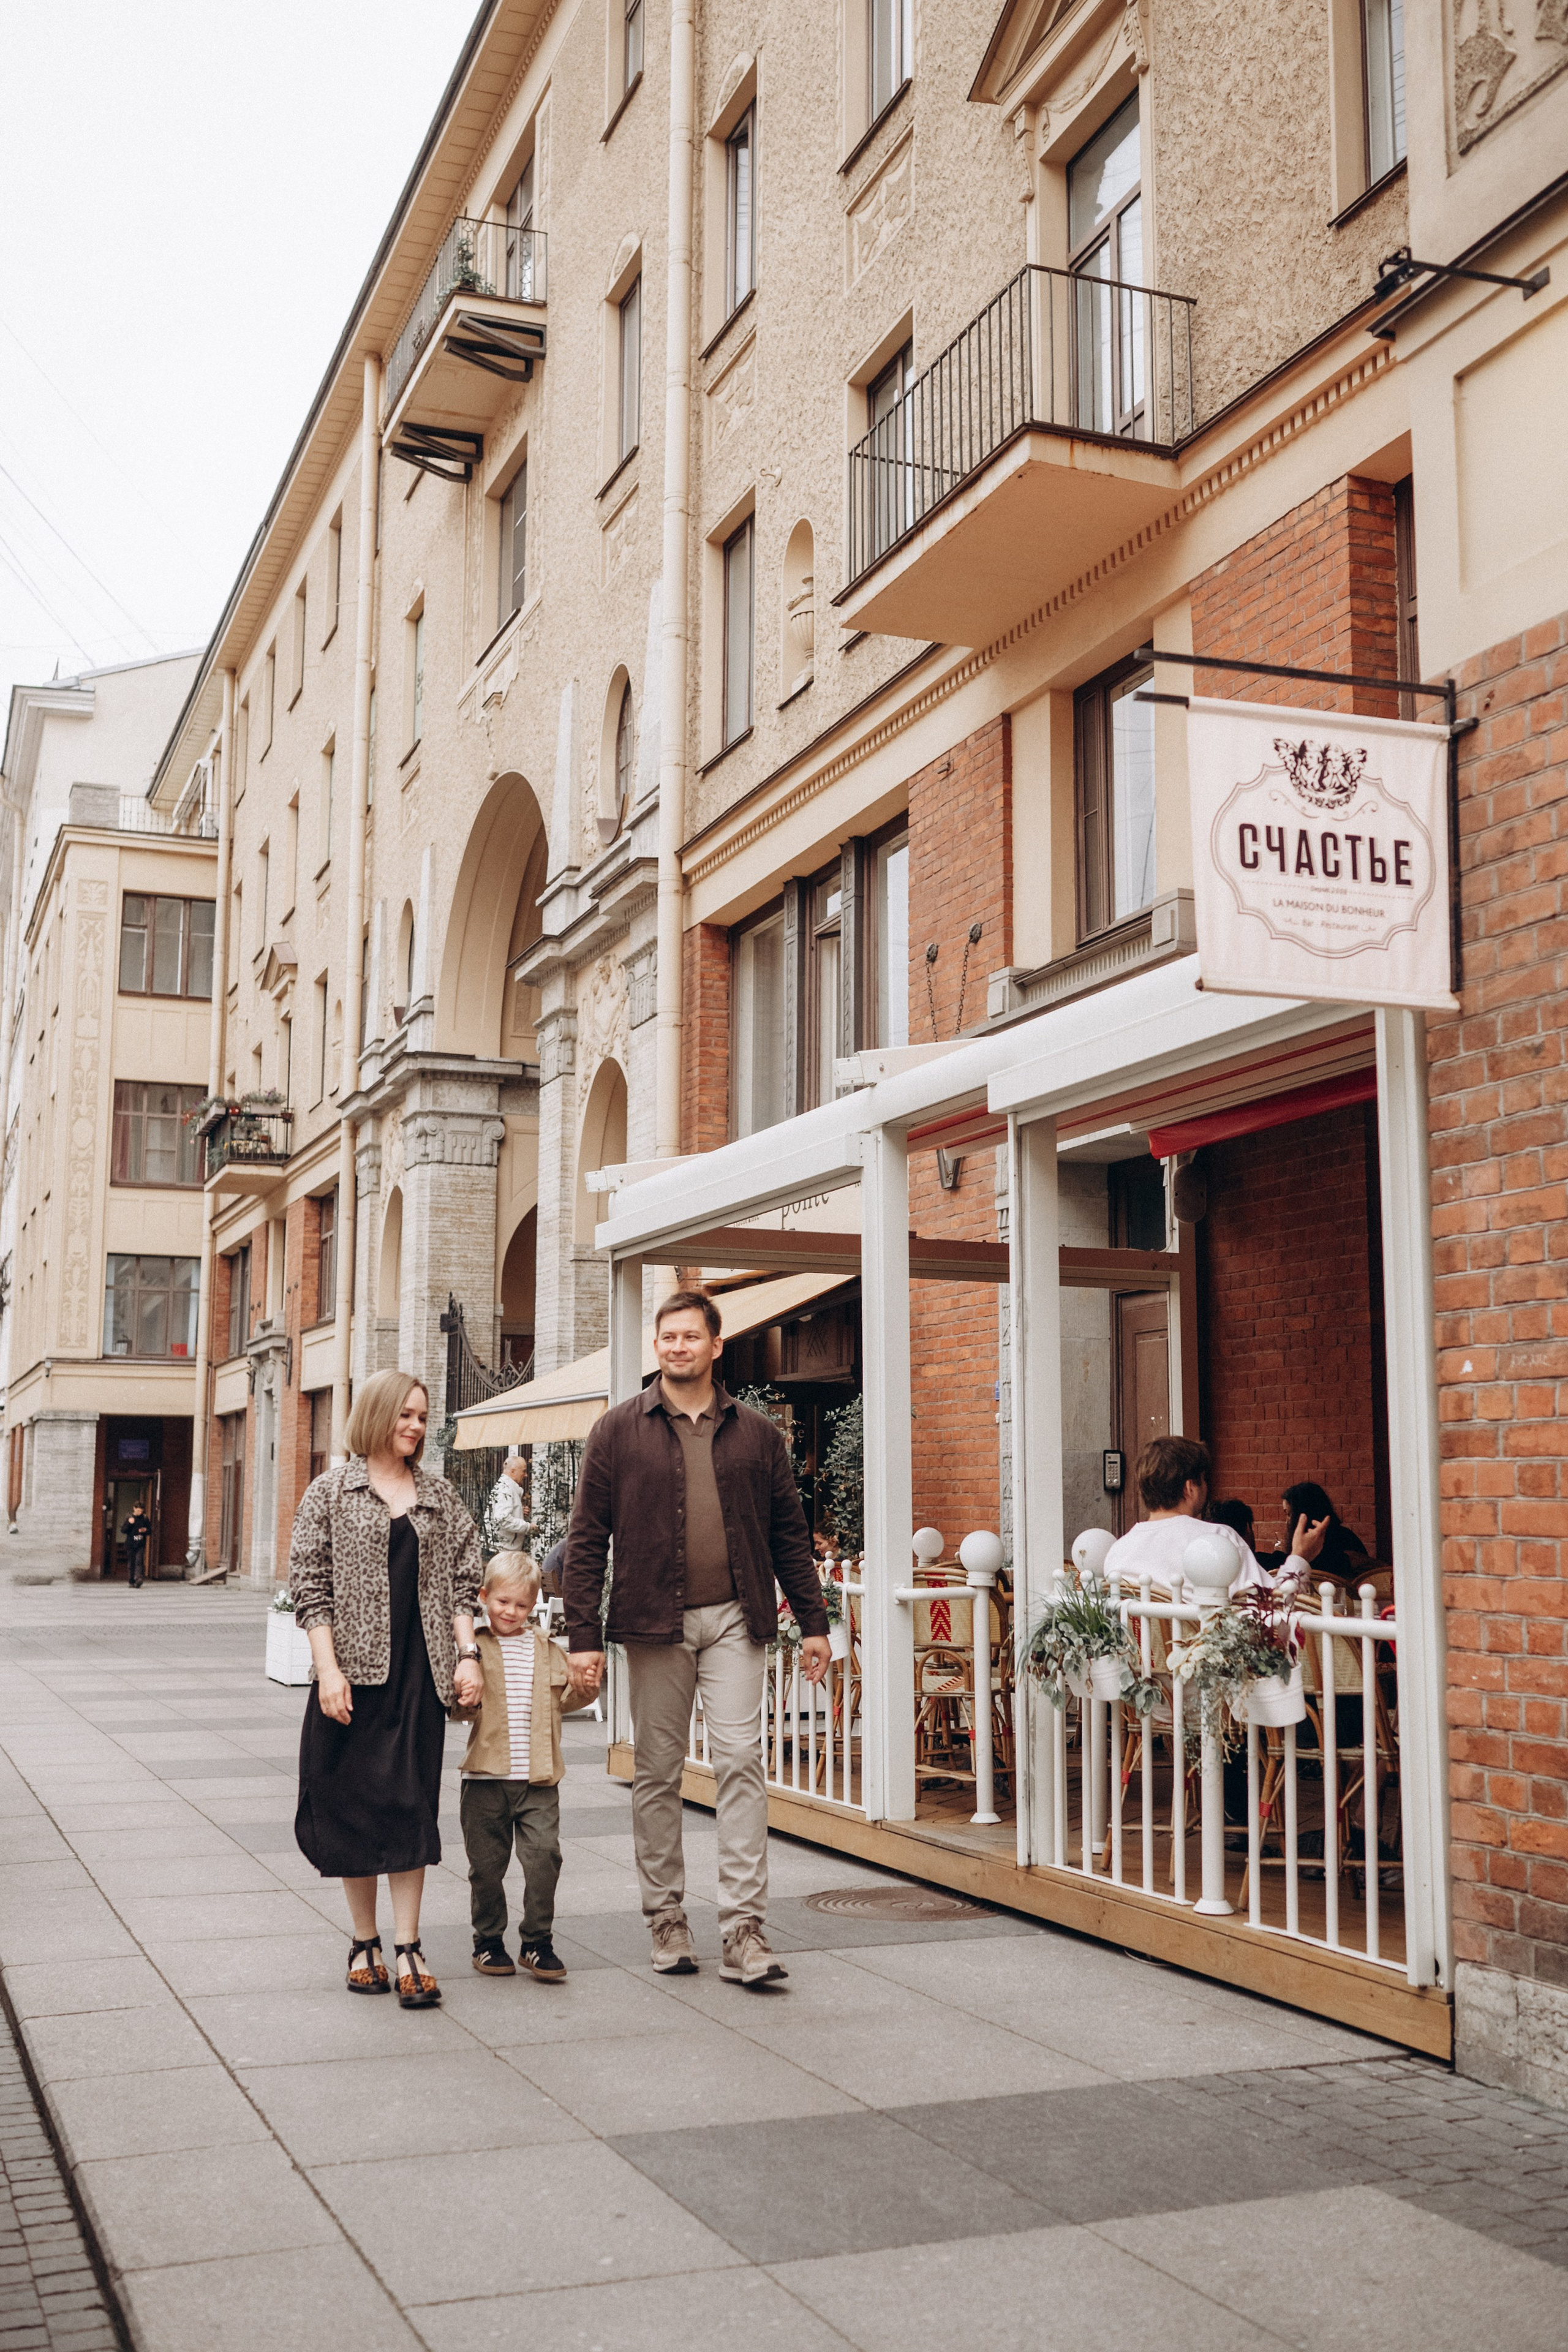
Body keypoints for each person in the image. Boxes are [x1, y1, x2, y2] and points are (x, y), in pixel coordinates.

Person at [564, 1289, 830, 1987]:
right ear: (657, 1347)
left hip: (736, 1618)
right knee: (657, 1771)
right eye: (668, 1337)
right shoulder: (617, 1431)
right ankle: (666, 1919)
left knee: (741, 1760)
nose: (677, 1347)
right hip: (654, 1623)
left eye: (690, 1336)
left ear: (716, 1345)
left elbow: (789, 1534)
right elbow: (586, 1539)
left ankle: (744, 1930)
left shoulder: (758, 1434)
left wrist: (814, 1622)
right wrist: (582, 1634)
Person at [289, 1370, 484, 2007]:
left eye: (422, 1416)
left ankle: (408, 1947)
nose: (416, 1426)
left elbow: (463, 1580)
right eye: (405, 1414)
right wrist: (328, 1671)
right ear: (376, 1415)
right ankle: (363, 1942)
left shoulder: (439, 1495)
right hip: (353, 1679)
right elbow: (310, 1587)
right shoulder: (330, 1492)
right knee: (351, 1810)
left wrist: (468, 1655)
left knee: (410, 1808)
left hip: (419, 1679)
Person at [455, 1550, 590, 1981]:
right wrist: (464, 1698)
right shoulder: (473, 1649)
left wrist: (586, 1686)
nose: (511, 1612)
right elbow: (456, 1707)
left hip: (538, 1779)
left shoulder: (547, 1649)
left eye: (522, 1604)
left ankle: (537, 1941)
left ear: (534, 1605)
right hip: (485, 1780)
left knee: (545, 1857)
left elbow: (567, 1699)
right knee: (486, 1868)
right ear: (484, 1597)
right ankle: (488, 1941)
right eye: (503, 1602)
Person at [1104, 1435, 1327, 1597]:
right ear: (1190, 1488)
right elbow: (1272, 1608)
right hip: (1206, 1650)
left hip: (1143, 1651)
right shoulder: (1217, 1540)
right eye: (1204, 1480)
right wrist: (1300, 1556)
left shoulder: (1118, 1551)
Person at [1281, 1480, 1371, 1585]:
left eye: (1289, 1514)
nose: (1287, 1522)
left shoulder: (1337, 1544)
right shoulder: (1346, 1536)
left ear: (1302, 1515)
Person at [123, 1503, 151, 1589]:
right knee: (131, 1562)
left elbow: (150, 1530)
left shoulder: (145, 1518)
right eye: (138, 1511)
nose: (140, 1513)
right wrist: (129, 1523)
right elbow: (123, 1530)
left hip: (140, 1544)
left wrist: (145, 1530)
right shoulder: (129, 1517)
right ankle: (131, 1580)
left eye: (141, 1511)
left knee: (139, 1561)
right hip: (130, 1544)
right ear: (134, 1509)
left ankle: (138, 1579)